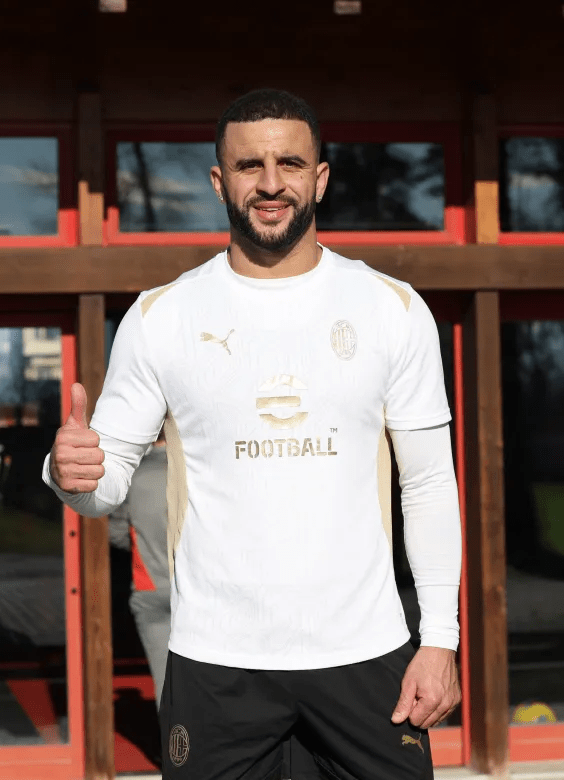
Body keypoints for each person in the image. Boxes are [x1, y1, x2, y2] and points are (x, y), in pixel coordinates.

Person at [44, 88, 462, 780]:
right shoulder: (162, 318)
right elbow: (105, 481)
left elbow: (428, 484)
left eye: (290, 163)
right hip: (217, 668)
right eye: (249, 167)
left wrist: (440, 640)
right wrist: (69, 475)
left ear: (320, 177)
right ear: (219, 180)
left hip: (366, 659)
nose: (271, 183)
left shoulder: (392, 310)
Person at [109, 428, 171, 708]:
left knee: (165, 681)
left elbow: (115, 532)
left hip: (150, 586)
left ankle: (174, 750)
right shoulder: (198, 473)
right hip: (198, 590)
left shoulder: (133, 477)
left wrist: (143, 546)